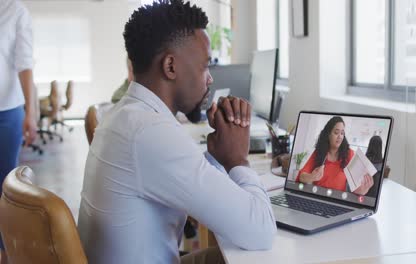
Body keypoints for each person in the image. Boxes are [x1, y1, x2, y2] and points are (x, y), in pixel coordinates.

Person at [77, 1, 276, 264]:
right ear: (170, 66)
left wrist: (217, 156)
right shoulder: (150, 132)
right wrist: (238, 160)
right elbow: (261, 232)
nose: (210, 79)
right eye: (205, 66)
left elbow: (191, 183)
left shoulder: (126, 115)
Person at [0, 0, 37, 262]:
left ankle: (5, 253)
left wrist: (31, 112)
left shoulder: (15, 11)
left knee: (4, 188)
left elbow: (24, 64)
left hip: (7, 112)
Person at [296, 116, 373, 195]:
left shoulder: (349, 154)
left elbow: (356, 189)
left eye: (342, 133)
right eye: (336, 133)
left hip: (338, 200)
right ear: (328, 134)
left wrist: (363, 190)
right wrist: (312, 177)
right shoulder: (319, 152)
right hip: (317, 196)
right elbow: (301, 176)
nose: (340, 136)